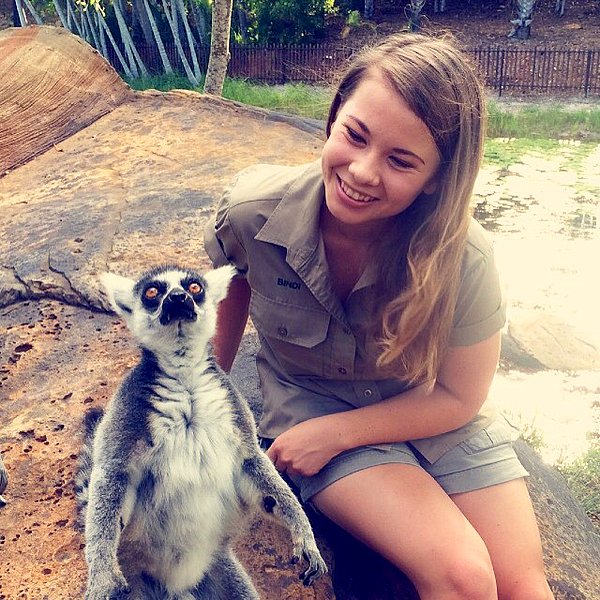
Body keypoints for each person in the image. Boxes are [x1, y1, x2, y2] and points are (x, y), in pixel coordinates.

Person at [203, 33, 554, 600]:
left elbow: (461, 398)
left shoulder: (466, 259)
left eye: (401, 160)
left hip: (431, 415)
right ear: (334, 115)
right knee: (462, 576)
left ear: (437, 178)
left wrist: (335, 435)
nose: (364, 172)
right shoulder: (252, 212)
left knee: (523, 588)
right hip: (312, 402)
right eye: (355, 135)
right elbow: (226, 299)